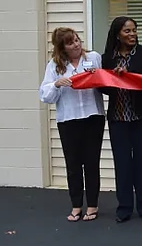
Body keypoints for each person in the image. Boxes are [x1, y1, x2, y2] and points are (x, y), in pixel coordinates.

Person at [39, 27, 105, 222]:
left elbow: (104, 83)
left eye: (77, 40)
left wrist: (96, 76)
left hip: (93, 116)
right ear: (62, 48)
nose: (76, 45)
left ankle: (92, 205)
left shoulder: (93, 57)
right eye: (70, 43)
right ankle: (76, 205)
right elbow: (45, 95)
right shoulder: (55, 65)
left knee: (92, 163)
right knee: (73, 164)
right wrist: (57, 84)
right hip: (69, 119)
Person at [100, 16, 142, 223]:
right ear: (117, 34)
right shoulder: (107, 57)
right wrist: (113, 80)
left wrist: (129, 74)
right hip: (118, 118)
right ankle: (124, 208)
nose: (132, 34)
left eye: (134, 30)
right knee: (122, 164)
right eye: (127, 31)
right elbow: (103, 88)